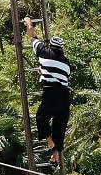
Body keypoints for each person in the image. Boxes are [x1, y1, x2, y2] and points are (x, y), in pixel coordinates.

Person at [23, 15, 71, 164]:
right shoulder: (67, 63)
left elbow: (31, 34)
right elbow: (60, 76)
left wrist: (28, 21)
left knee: (41, 117)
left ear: (50, 45)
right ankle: (54, 156)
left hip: (51, 93)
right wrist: (43, 71)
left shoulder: (44, 51)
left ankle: (50, 144)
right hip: (64, 95)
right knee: (59, 128)